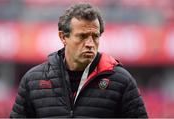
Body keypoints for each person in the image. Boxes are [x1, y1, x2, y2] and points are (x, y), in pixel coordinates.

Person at [10, 3, 148, 118]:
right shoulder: (33, 80)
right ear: (63, 37)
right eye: (82, 36)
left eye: (95, 36)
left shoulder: (121, 81)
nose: (90, 43)